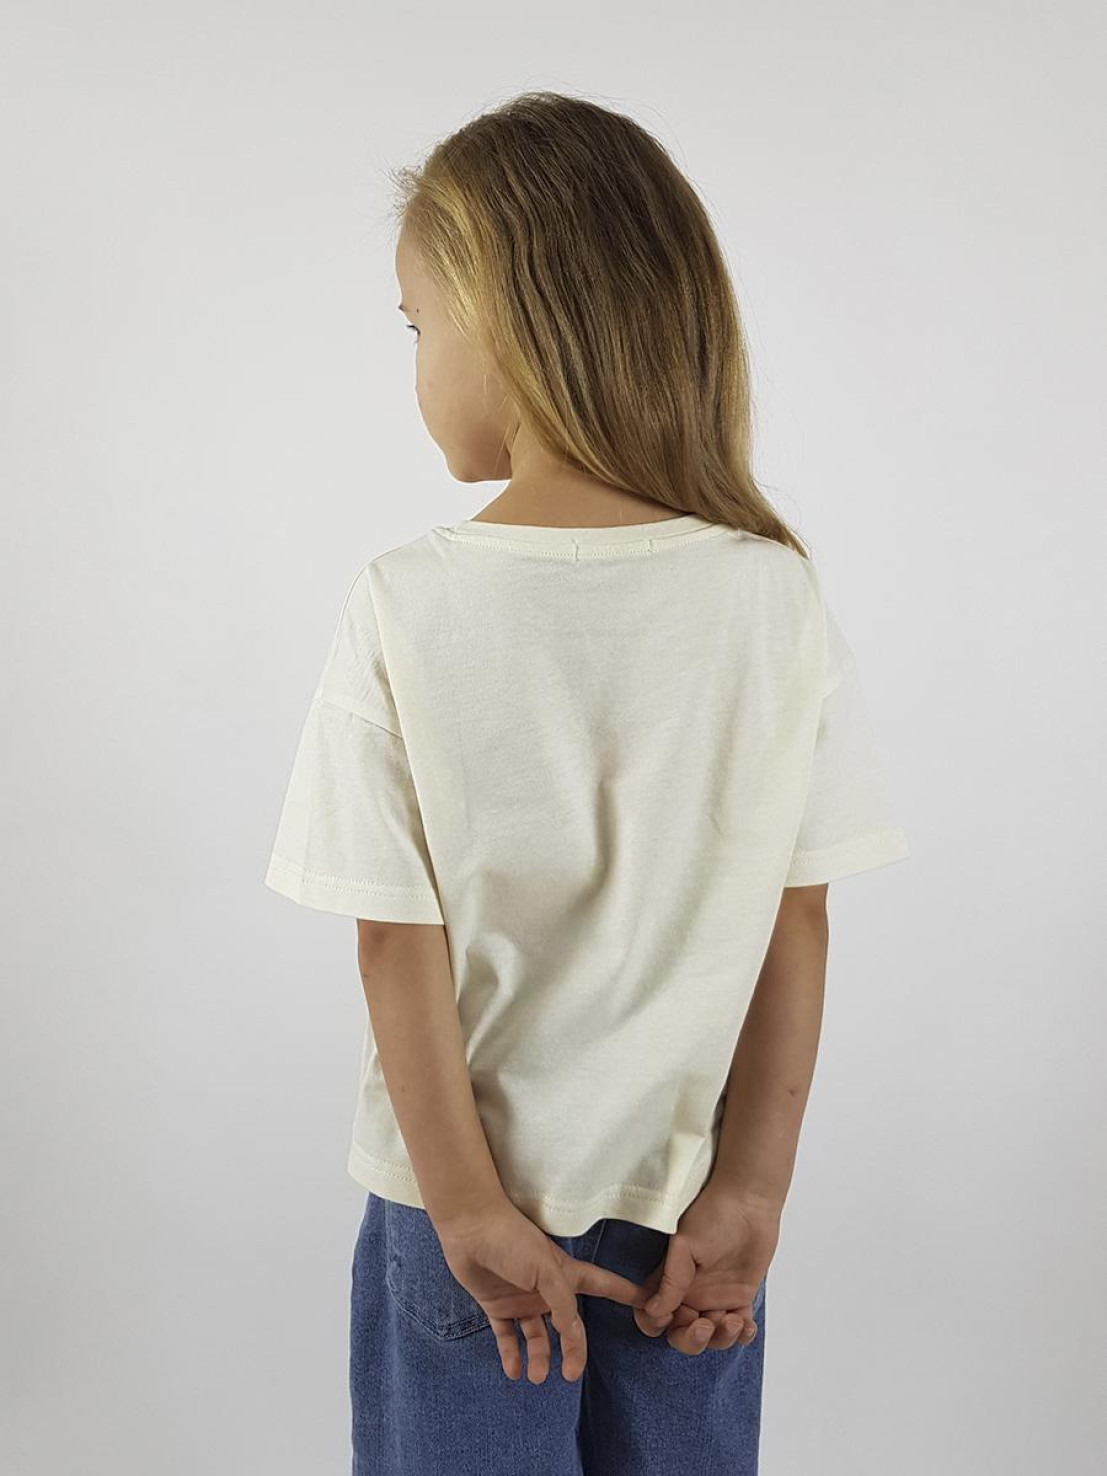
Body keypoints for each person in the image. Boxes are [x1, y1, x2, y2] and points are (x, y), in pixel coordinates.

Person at [263, 90, 910, 1476]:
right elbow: (796, 921)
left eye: (416, 325)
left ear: (501, 322)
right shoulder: (774, 599)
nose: (413, 362)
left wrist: (467, 1212)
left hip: (465, 1215)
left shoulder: (406, 604)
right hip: (693, 1223)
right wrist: (753, 1189)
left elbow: (394, 941)